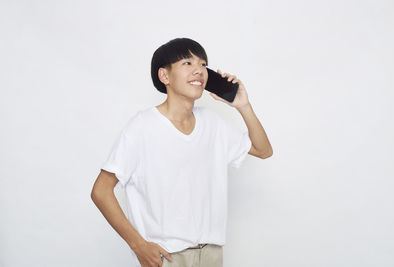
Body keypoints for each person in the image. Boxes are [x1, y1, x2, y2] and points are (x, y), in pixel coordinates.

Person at [91, 37, 273, 267]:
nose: (199, 70)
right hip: (167, 256)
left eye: (203, 64)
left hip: (211, 254)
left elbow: (263, 150)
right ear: (164, 76)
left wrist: (243, 106)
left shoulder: (212, 123)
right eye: (187, 63)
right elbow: (101, 191)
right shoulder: (142, 127)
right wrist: (138, 245)